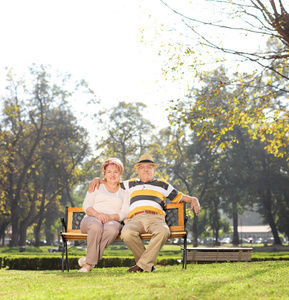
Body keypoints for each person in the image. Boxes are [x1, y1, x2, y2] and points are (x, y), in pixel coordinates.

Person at [88, 154, 200, 273]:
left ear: (154, 169)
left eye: (149, 167)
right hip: (135, 219)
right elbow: (112, 182)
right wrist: (97, 180)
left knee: (163, 231)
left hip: (156, 218)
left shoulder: (162, 184)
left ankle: (141, 265)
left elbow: (180, 197)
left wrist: (194, 199)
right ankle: (148, 266)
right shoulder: (130, 184)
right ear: (138, 170)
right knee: (126, 233)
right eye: (142, 167)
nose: (146, 169)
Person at [78, 158, 129, 272]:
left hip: (111, 221)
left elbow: (124, 213)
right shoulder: (97, 186)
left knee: (112, 229)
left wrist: (110, 217)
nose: (112, 175)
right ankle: (88, 265)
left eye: (116, 172)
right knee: (96, 225)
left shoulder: (124, 193)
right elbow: (86, 205)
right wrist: (97, 215)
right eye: (109, 172)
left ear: (120, 174)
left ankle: (88, 260)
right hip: (91, 219)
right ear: (104, 174)